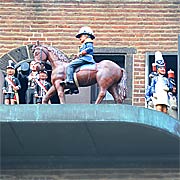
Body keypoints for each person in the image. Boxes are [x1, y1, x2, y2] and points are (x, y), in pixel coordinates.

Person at [60, 26, 96, 94]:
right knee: (74, 69)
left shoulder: (88, 41)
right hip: (83, 58)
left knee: (70, 66)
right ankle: (74, 88)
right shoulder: (83, 44)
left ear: (86, 36)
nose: (79, 38)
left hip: (86, 58)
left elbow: (90, 49)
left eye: (81, 36)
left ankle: (69, 81)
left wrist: (81, 53)